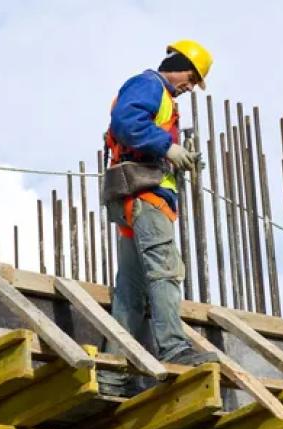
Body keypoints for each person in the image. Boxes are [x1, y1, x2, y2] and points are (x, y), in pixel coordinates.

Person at [98, 40, 217, 396]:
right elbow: (126, 122)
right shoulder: (150, 84)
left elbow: (140, 135)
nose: (191, 87)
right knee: (165, 270)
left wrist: (178, 158)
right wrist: (168, 148)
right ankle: (174, 348)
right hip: (146, 199)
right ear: (178, 65)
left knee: (131, 293)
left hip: (137, 199)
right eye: (192, 78)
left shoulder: (162, 98)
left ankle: (113, 375)